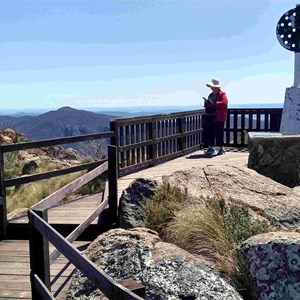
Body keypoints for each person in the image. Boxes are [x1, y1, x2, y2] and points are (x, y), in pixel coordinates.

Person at [203, 79, 228, 155]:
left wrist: (214, 103)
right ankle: (211, 147)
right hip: (210, 115)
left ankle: (221, 147)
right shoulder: (211, 95)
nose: (211, 88)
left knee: (219, 132)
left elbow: (224, 102)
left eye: (212, 86)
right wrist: (206, 103)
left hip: (218, 116)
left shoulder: (222, 94)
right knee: (210, 131)